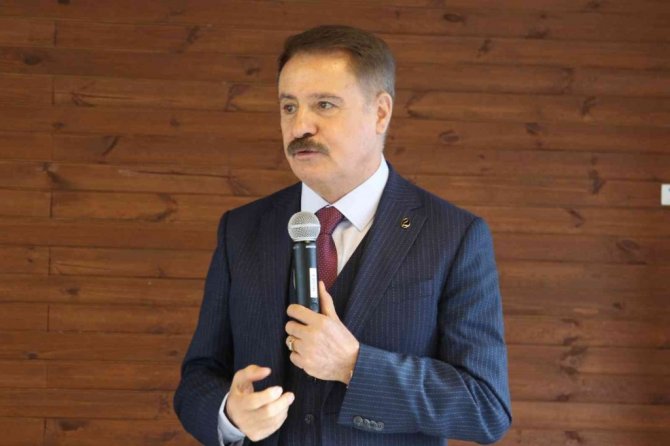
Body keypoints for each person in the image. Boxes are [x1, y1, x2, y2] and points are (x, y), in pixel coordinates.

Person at [174, 25, 511, 446]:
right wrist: (230, 414)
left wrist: (354, 365)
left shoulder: (454, 236)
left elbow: (485, 407)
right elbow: (199, 377)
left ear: (380, 113)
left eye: (325, 105)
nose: (301, 126)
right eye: (289, 107)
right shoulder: (241, 229)